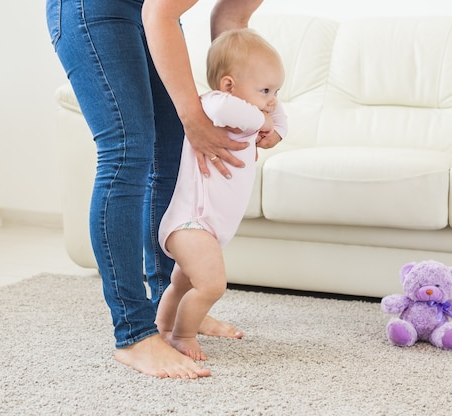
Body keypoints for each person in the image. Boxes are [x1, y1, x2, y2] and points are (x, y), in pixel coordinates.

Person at [45, 0, 281, 379]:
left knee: (172, 156)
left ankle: (167, 311)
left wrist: (241, 107)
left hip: (149, 8)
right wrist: (194, 117)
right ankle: (134, 333)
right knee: (127, 149)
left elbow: (232, 19)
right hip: (94, 8)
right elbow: (160, 13)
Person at [156, 29, 287, 361]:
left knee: (183, 284)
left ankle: (162, 326)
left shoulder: (251, 115)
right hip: (191, 222)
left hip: (209, 227)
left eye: (276, 91)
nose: (273, 100)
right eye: (266, 90)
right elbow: (244, 113)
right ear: (229, 85)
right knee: (212, 285)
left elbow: (278, 121)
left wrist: (274, 130)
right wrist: (264, 120)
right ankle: (183, 336)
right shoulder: (215, 104)